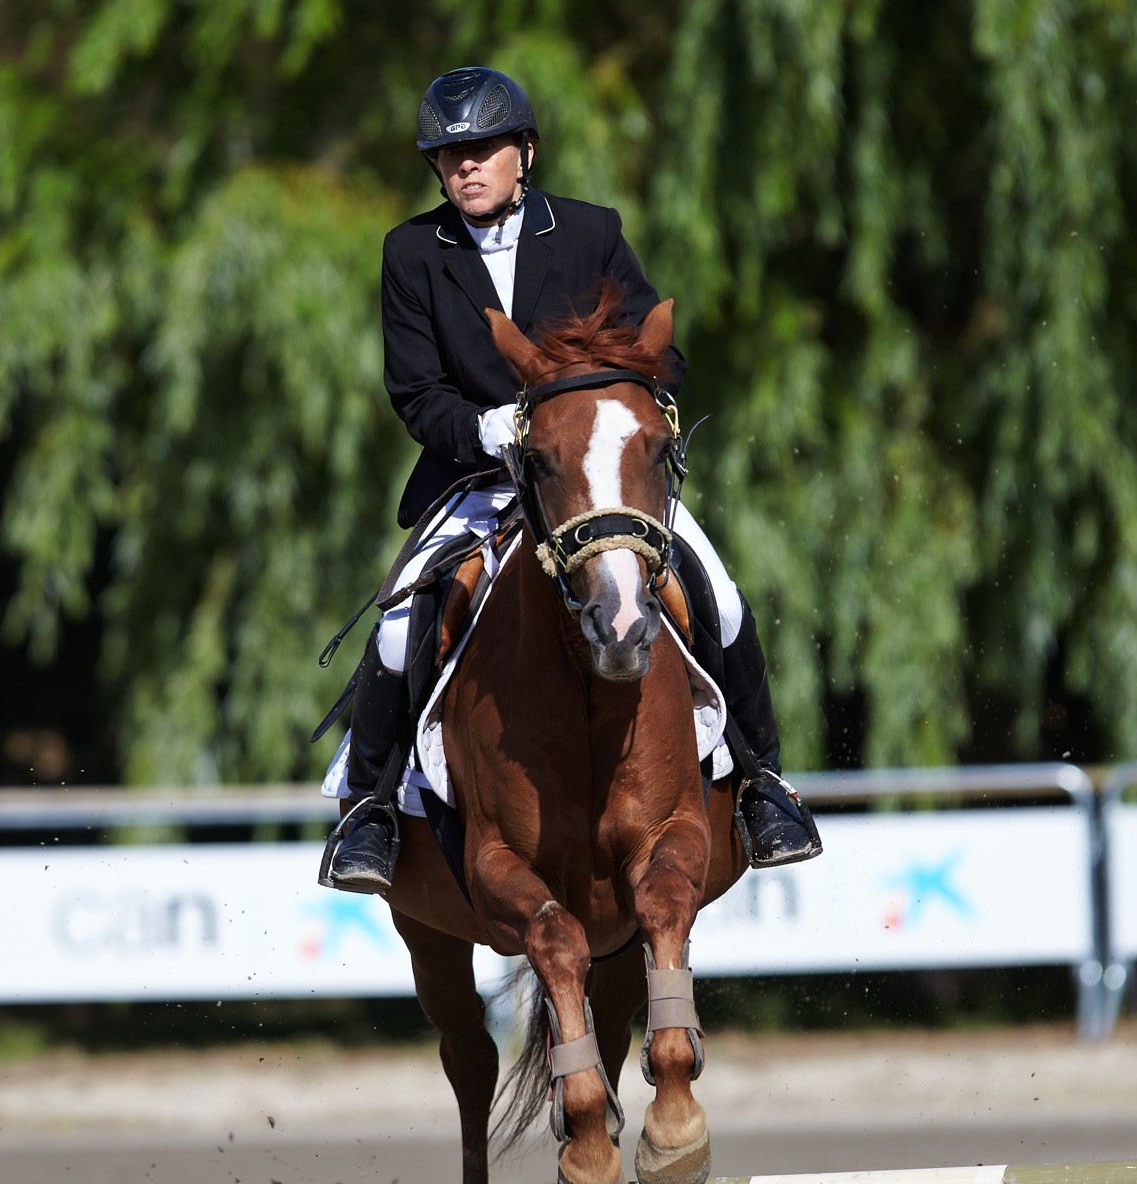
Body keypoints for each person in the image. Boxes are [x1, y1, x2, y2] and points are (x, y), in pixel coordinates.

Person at [319, 65, 798, 892]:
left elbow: (662, 354)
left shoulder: (589, 232)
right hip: (480, 479)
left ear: (525, 152)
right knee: (399, 627)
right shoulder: (411, 252)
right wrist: (486, 428)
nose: (465, 166)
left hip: (597, 476)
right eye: (448, 154)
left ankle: (765, 784)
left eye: (482, 149)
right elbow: (414, 390)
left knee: (715, 588)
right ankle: (369, 810)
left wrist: (594, 401)